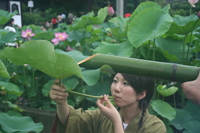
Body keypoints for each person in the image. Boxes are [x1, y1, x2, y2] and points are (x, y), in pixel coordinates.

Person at [50, 73, 166, 133]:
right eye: (115, 81)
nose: (116, 88)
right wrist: (61, 102)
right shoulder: (103, 116)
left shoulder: (155, 127)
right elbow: (72, 121)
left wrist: (116, 119)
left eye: (125, 83)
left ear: (141, 94)